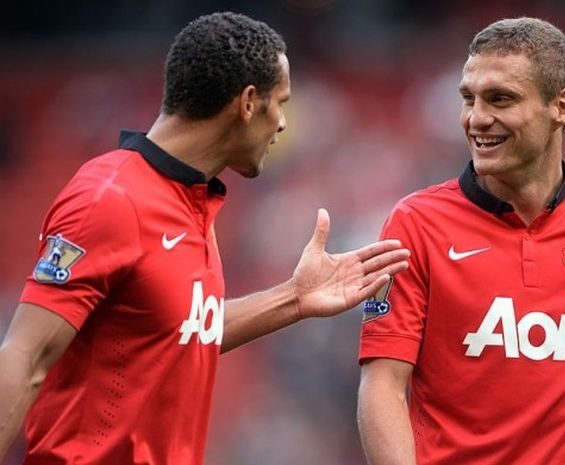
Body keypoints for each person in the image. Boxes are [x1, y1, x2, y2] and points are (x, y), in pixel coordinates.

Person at [0, 12, 410, 465]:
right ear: (249, 102)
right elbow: (25, 354)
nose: (284, 125)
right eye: (282, 103)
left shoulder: (193, 203)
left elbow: (178, 332)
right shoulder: (111, 197)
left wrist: (293, 299)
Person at [357, 17, 565, 465]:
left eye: (500, 99)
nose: (477, 119)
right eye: (468, 99)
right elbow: (383, 387)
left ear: (562, 106)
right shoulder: (416, 224)